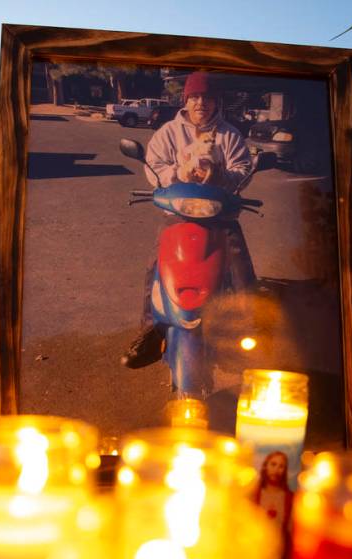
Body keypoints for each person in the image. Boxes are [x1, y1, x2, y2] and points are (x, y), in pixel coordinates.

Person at [120, 71, 255, 369]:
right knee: (156, 267)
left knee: (240, 265)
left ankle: (249, 330)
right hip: (177, 214)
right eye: (194, 97)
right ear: (186, 101)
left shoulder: (230, 135)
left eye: (207, 98)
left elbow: (242, 170)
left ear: (215, 101)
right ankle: (150, 332)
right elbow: (154, 166)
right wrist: (178, 174)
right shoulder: (168, 132)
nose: (201, 103)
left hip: (219, 216)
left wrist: (221, 175)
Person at [254, 450, 294, 530]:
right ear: (265, 466)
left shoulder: (290, 498)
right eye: (273, 464)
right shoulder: (254, 493)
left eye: (281, 466)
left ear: (284, 471)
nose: (276, 470)